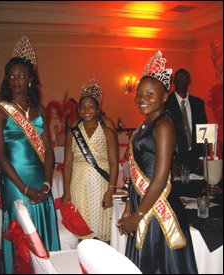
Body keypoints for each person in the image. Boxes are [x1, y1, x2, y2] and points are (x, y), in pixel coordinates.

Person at [117, 51, 198, 274]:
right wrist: (127, 210)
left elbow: (161, 179)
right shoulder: (144, 125)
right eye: (140, 94)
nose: (142, 99)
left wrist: (137, 216)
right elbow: (135, 174)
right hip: (141, 204)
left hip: (156, 210)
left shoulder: (164, 126)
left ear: (164, 97)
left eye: (150, 94)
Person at [0, 35, 60, 274]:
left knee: (42, 226)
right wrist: (24, 187)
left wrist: (47, 183)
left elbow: (48, 150)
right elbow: (0, 154)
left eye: (21, 76)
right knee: (20, 230)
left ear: (30, 80)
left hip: (41, 180)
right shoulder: (0, 111)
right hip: (14, 181)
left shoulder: (40, 110)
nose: (16, 80)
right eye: (11, 76)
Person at [62, 78, 118, 242]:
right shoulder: (72, 133)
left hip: (100, 186)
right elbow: (67, 164)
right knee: (82, 228)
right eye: (83, 107)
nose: (87, 110)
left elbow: (114, 163)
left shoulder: (107, 131)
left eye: (91, 106)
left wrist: (111, 189)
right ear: (79, 109)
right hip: (78, 185)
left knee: (100, 229)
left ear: (98, 108)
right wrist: (66, 191)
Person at [166, 68, 208, 174]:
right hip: (175, 159)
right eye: (178, 77)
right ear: (173, 81)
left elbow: (204, 130)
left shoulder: (198, 103)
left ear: (189, 81)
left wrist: (203, 156)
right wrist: (171, 160)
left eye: (184, 76)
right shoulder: (166, 104)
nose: (181, 79)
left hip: (196, 157)